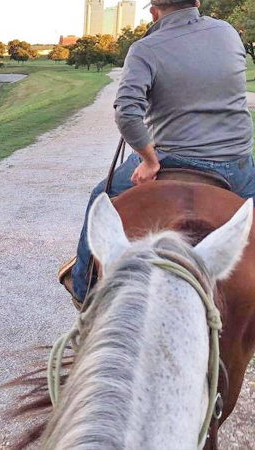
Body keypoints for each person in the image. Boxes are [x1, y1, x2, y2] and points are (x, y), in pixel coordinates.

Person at [59, 0, 255, 309]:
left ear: (153, 10)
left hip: (173, 157)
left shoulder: (145, 48)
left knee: (101, 197)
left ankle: (83, 288)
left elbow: (127, 113)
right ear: (197, 2)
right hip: (237, 163)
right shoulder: (228, 32)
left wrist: (150, 162)